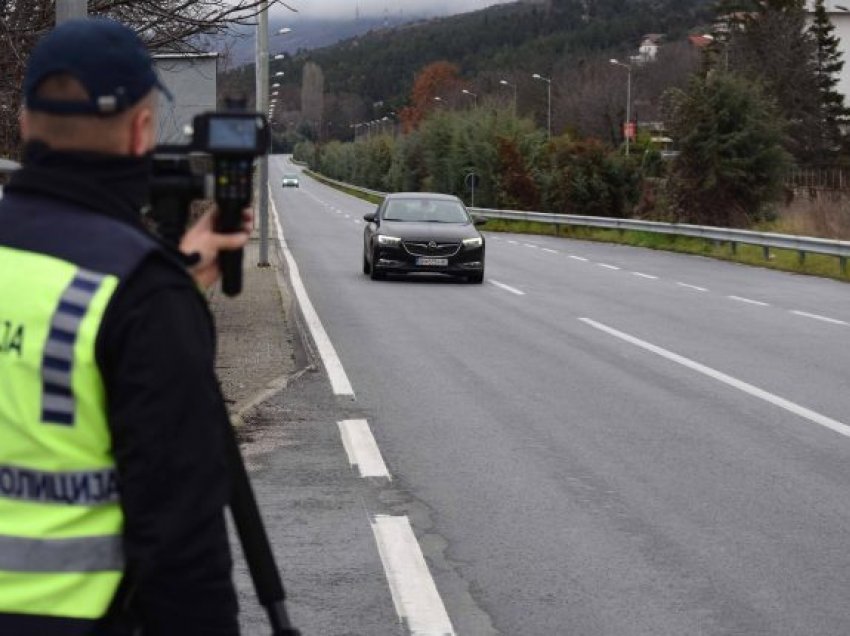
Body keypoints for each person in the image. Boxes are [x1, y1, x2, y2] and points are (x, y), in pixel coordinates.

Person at [0, 18, 249, 635]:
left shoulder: (142, 295)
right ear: (142, 131)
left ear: (26, 124)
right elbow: (183, 556)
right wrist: (164, 296)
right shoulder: (139, 297)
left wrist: (170, 283)